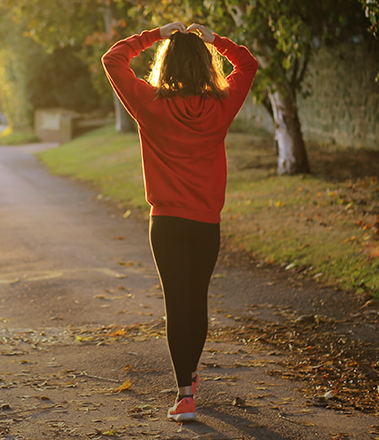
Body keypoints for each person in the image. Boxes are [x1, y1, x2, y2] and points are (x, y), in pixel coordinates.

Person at [102, 22, 259, 423]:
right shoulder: (221, 105)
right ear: (206, 67)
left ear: (166, 65)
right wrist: (215, 40)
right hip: (206, 223)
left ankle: (185, 394)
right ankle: (189, 380)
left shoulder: (149, 104)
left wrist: (155, 34)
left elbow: (113, 59)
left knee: (178, 303)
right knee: (197, 300)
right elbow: (248, 63)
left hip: (167, 223)